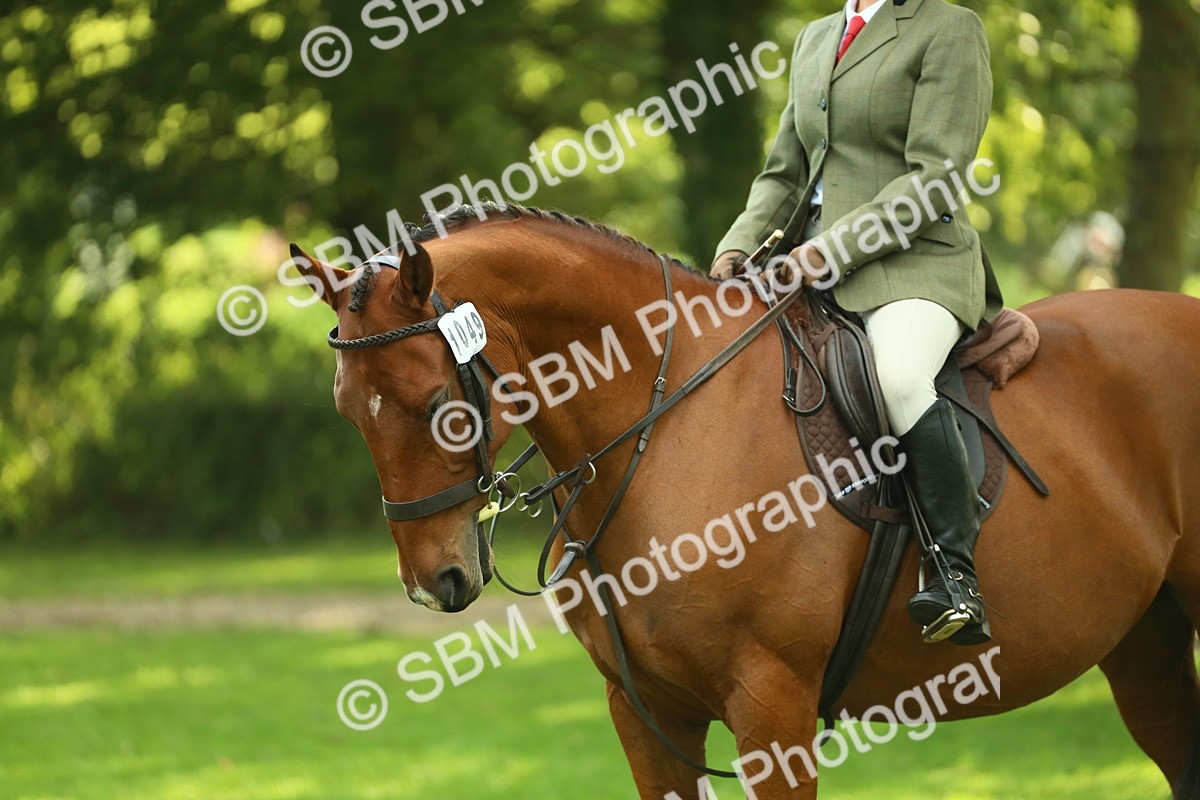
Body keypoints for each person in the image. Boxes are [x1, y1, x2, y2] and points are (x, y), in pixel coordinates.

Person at [712, 0, 1004, 645]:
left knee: (898, 376)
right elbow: (784, 173)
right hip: (806, 269)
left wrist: (829, 249)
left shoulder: (948, 28)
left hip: (914, 265)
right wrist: (738, 246)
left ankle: (955, 575)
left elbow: (938, 178)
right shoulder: (818, 38)